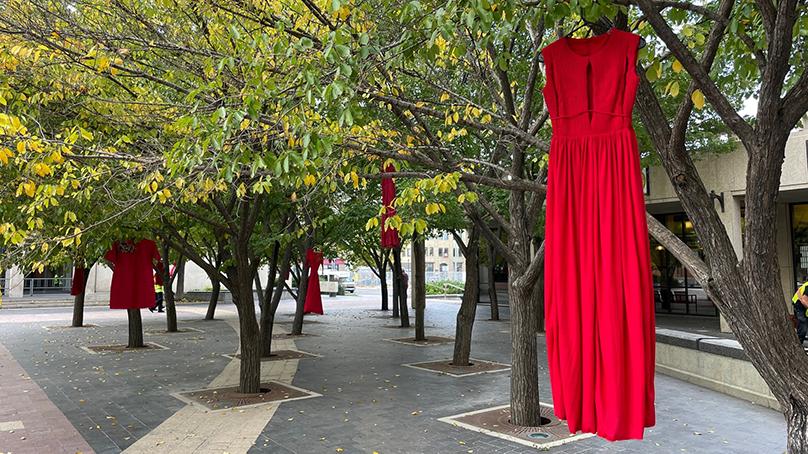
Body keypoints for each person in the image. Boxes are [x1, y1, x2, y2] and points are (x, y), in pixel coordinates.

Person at [792, 280, 808, 345]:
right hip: (799, 304)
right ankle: (798, 343)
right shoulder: (807, 287)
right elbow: (804, 300)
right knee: (803, 324)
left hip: (804, 305)